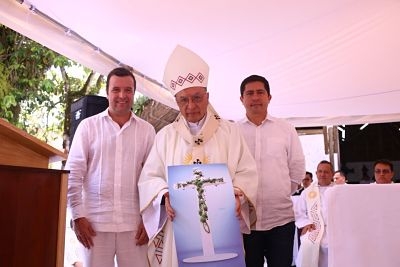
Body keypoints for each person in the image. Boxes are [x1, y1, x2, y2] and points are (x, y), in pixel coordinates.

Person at [138, 45, 258, 267]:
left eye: (197, 98)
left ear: (207, 97)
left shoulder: (230, 132)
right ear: (176, 101)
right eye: (184, 100)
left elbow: (247, 171)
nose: (191, 106)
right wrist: (165, 195)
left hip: (223, 226)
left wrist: (236, 194)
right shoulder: (165, 136)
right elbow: (150, 178)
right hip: (180, 227)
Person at [65, 67, 156, 267]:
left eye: (128, 90)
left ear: (134, 93)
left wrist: (150, 219)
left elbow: (154, 178)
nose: (122, 95)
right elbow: (73, 175)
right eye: (116, 90)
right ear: (107, 92)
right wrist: (78, 216)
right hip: (94, 225)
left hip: (134, 227)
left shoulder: (147, 131)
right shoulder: (88, 127)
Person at [237, 74, 305, 267]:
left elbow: (297, 168)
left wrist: (281, 192)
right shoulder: (233, 132)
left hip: (280, 220)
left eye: (260, 92)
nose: (255, 97)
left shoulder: (286, 129)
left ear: (269, 97)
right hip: (245, 222)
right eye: (250, 93)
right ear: (242, 99)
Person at [294, 160, 335, 267]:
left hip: (335, 228)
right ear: (316, 173)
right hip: (315, 228)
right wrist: (305, 224)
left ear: (332, 174)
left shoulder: (338, 190)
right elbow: (299, 212)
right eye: (320, 171)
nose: (322, 174)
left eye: (326, 172)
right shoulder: (307, 192)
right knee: (308, 245)